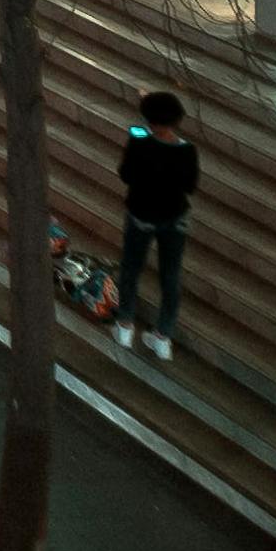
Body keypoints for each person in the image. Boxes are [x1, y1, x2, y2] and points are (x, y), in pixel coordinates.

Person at [116, 83, 199, 358]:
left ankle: (125, 325)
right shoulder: (187, 151)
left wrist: (138, 140)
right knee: (170, 276)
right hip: (174, 218)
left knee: (131, 268)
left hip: (141, 216)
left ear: (149, 120)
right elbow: (190, 186)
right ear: (176, 120)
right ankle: (163, 336)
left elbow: (125, 174)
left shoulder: (139, 141)